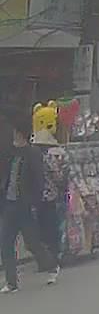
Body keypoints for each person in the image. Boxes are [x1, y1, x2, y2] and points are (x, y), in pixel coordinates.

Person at [0, 121, 58, 293]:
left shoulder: (32, 153)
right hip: (10, 204)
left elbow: (39, 180)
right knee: (5, 242)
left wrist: (34, 202)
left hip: (24, 205)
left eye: (15, 134)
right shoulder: (11, 153)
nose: (13, 137)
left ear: (21, 135)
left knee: (32, 243)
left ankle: (52, 266)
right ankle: (11, 282)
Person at [32, 127, 68, 284]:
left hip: (39, 199)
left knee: (42, 231)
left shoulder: (36, 158)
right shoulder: (49, 159)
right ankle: (51, 259)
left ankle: (49, 260)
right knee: (49, 231)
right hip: (48, 199)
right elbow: (58, 178)